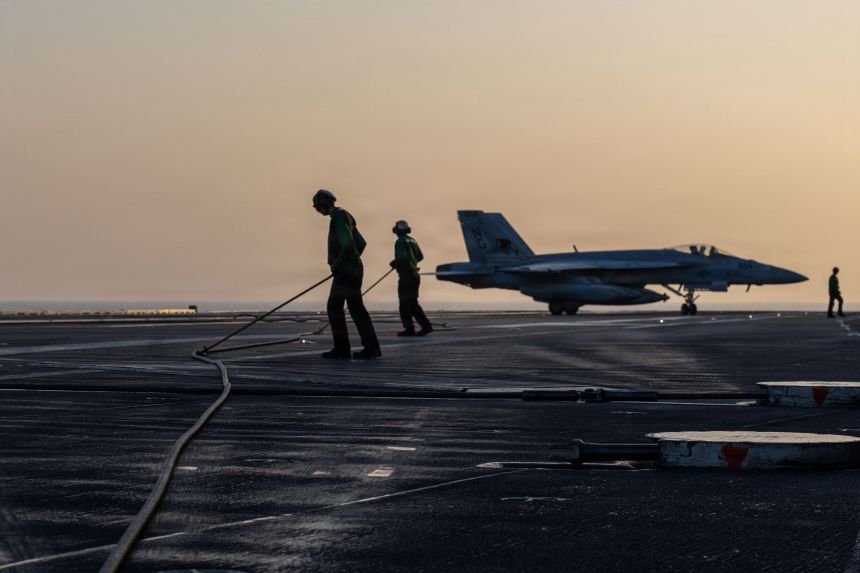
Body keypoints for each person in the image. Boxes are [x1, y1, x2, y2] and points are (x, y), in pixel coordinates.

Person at [312, 189, 381, 359]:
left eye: (318, 207)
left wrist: (339, 262)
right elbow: (361, 243)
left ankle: (342, 349)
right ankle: (372, 348)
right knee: (357, 309)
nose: (319, 211)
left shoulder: (338, 217)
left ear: (324, 204)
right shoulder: (345, 216)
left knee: (334, 307)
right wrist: (353, 260)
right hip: (354, 268)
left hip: (346, 270)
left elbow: (348, 244)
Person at [390, 220, 433, 336]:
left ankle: (409, 328)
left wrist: (394, 263)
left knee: (404, 303)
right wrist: (412, 262)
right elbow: (420, 256)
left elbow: (402, 257)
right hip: (415, 274)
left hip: (406, 275)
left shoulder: (399, 241)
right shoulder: (413, 240)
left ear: (397, 230)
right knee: (413, 303)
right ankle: (426, 326)